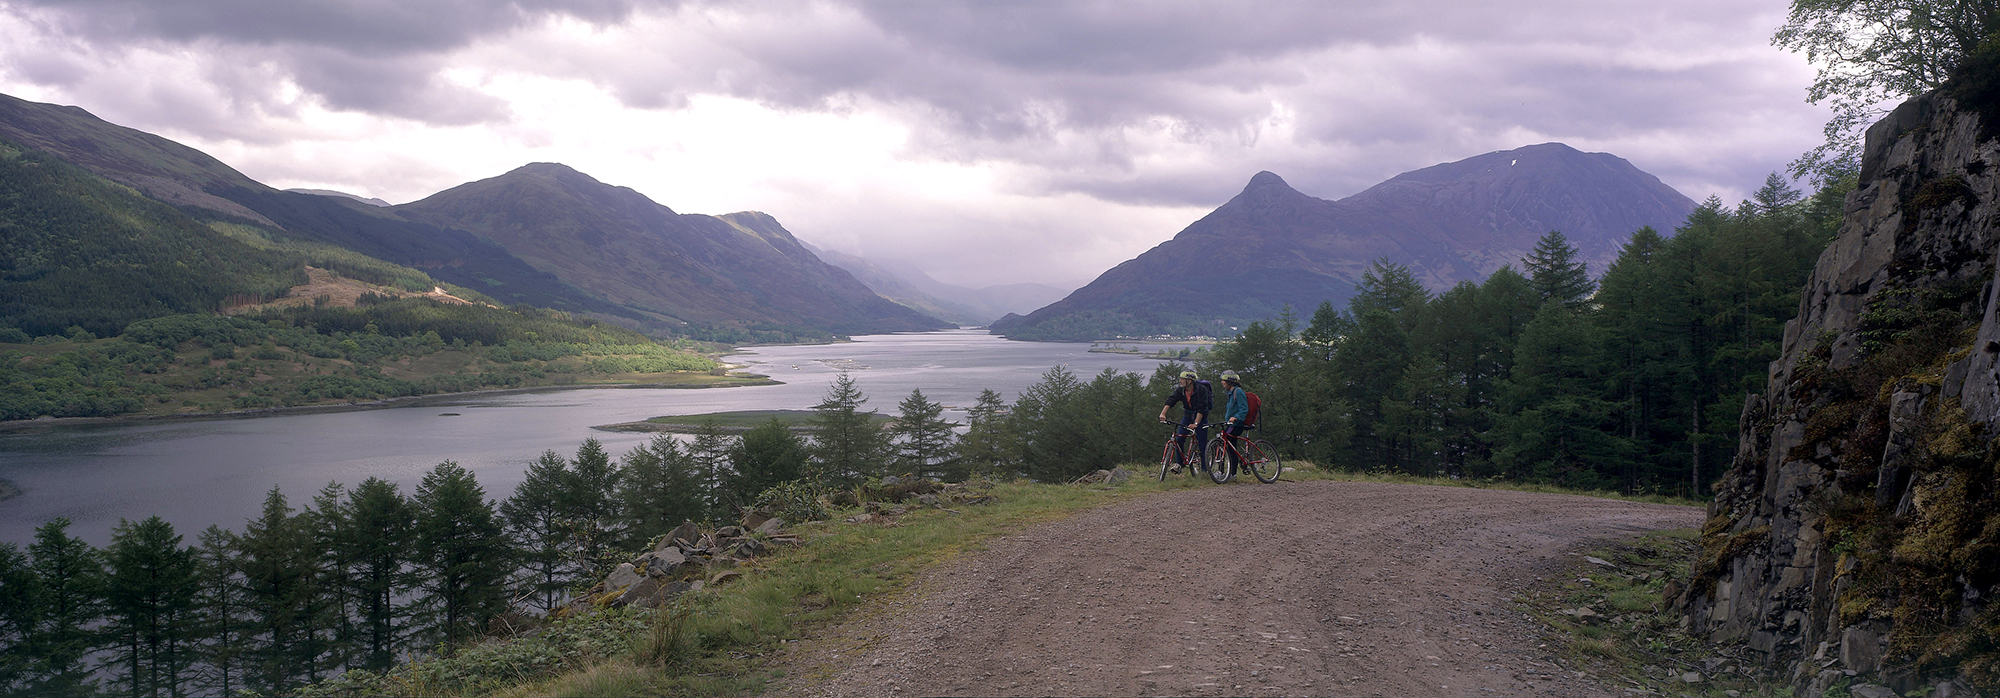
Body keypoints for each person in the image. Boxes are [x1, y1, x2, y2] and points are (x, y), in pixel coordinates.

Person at [1156, 369, 1211, 471]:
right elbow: (1171, 400)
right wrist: (1163, 413)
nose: (1180, 381)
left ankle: (1204, 470)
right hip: (1187, 416)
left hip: (1200, 417)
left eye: (1182, 379)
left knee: (1202, 444)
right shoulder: (1181, 390)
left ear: (1189, 381)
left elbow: (1202, 408)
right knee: (1179, 438)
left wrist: (1196, 423)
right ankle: (1179, 464)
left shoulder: (1201, 390)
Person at [1218, 370, 1249, 470]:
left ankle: (1232, 473)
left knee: (1230, 447)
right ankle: (1225, 472)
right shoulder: (1230, 393)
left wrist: (1236, 417)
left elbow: (1244, 409)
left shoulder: (1238, 392)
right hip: (1230, 425)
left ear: (1229, 381)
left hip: (1236, 425)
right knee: (1226, 444)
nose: (1222, 382)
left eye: (1223, 380)